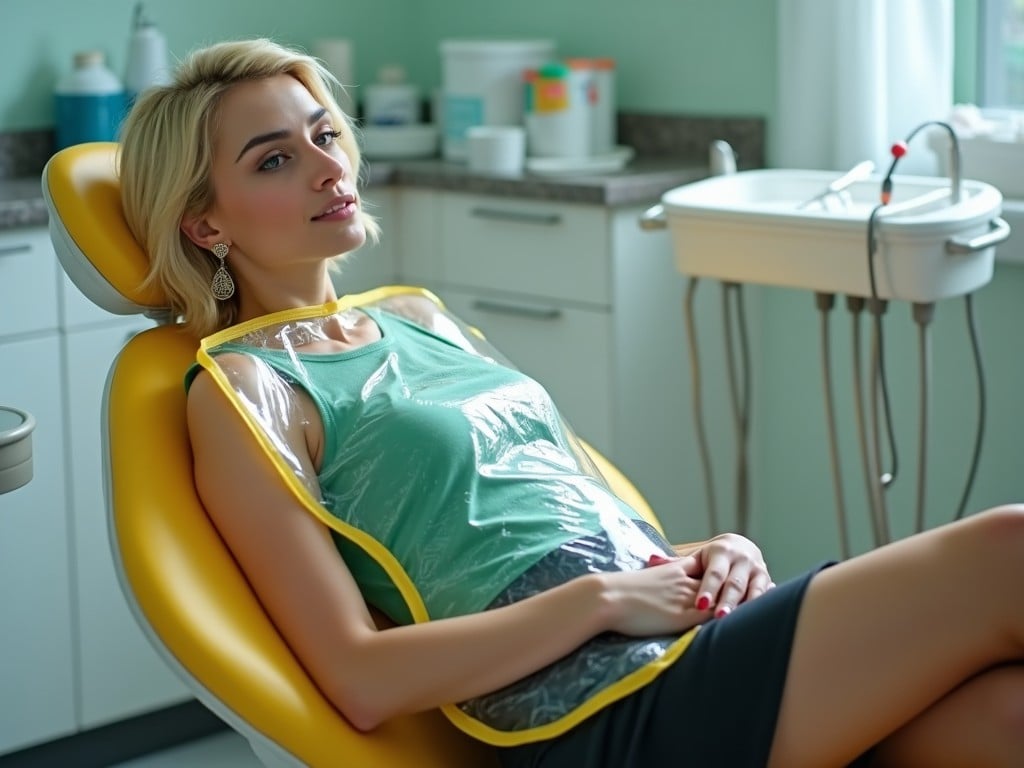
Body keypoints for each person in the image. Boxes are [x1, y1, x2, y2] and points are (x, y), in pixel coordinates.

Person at [117, 38, 1024, 768]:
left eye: (324, 133)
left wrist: (716, 551)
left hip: (675, 638)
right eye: (276, 158)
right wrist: (601, 600)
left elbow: (561, 516)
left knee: (1006, 721)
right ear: (206, 223)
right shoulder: (245, 390)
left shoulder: (416, 317)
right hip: (599, 713)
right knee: (1007, 550)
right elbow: (357, 676)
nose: (327, 166)